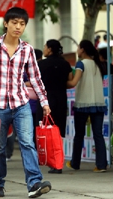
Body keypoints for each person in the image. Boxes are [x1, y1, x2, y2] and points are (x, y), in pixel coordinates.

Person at [0, 7, 52, 198]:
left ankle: (34, 183)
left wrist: (44, 101)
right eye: (14, 22)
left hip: (21, 103)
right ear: (6, 23)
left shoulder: (27, 49)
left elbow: (35, 78)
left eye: (22, 24)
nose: (18, 27)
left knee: (27, 143)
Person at [66, 40, 108, 172]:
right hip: (99, 103)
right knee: (98, 135)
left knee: (79, 135)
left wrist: (60, 82)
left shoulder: (81, 64)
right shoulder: (98, 64)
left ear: (82, 49)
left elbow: (73, 82)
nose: (77, 50)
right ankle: (101, 165)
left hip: (83, 103)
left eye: (78, 47)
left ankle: (75, 163)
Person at [35, 40, 73, 174]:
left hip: (46, 99)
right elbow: (70, 80)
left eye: (45, 46)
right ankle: (58, 163)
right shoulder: (65, 64)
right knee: (58, 130)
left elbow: (36, 82)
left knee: (45, 129)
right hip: (61, 98)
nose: (44, 48)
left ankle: (48, 160)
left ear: (50, 49)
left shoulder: (41, 64)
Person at [6, 49, 43, 162]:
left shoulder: (26, 68)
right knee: (28, 133)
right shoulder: (26, 68)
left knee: (26, 133)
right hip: (29, 104)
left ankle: (32, 156)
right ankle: (33, 156)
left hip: (27, 104)